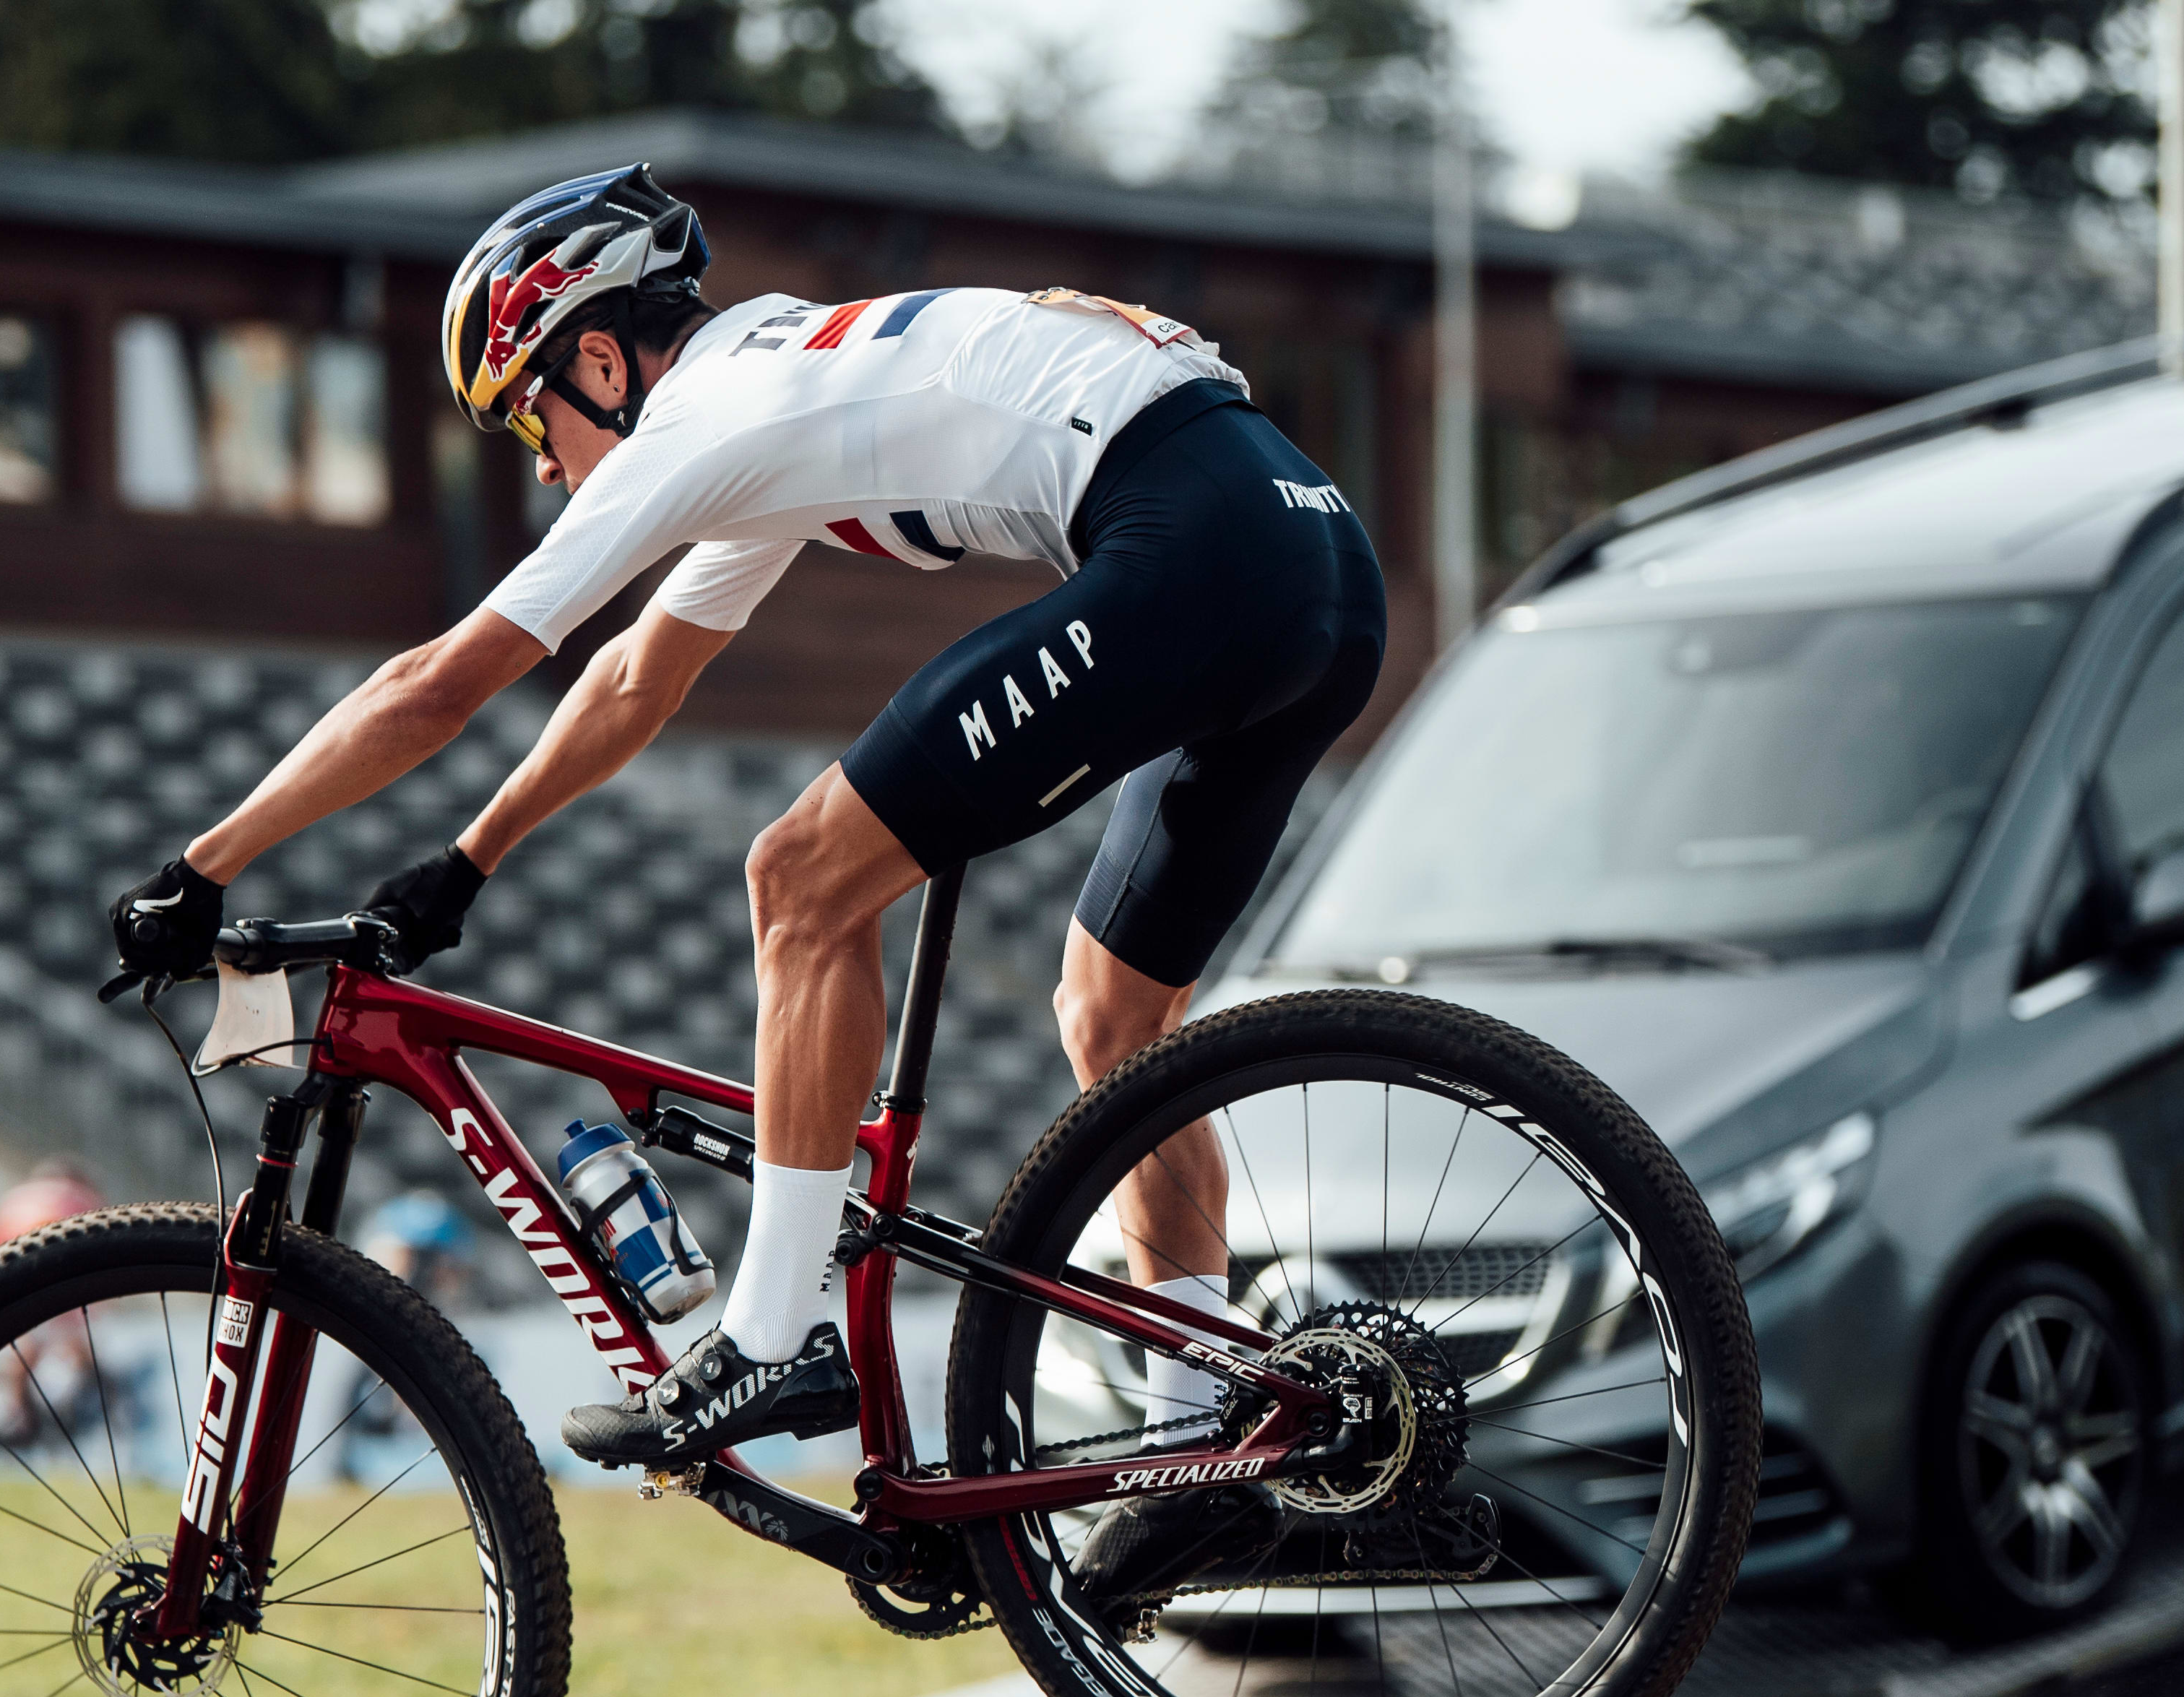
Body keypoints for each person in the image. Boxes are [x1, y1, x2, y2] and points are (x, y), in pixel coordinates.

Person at [104, 165, 1386, 1605]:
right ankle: (1200, 1435)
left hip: (1197, 547)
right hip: (1314, 554)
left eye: (527, 418)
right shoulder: (776, 384)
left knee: (801, 875)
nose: (544, 468)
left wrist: (200, 866)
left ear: (600, 359)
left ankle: (772, 1337)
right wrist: (469, 858)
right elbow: (637, 679)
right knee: (1113, 1022)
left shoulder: (705, 418)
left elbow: (437, 683)